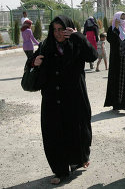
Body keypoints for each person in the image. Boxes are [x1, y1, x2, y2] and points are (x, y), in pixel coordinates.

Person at [31, 15, 98, 184]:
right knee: (53, 133)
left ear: (69, 29)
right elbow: (30, 63)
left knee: (78, 129)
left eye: (61, 29)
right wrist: (34, 62)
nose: (58, 33)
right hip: (52, 98)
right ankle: (60, 170)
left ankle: (80, 158)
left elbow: (92, 56)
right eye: (54, 30)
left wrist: (78, 36)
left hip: (74, 97)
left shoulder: (77, 43)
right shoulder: (46, 45)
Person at [104, 11, 125, 115]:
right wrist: (115, 27)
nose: (122, 20)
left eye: (124, 17)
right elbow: (111, 39)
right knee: (116, 82)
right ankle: (116, 104)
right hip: (117, 62)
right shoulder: (112, 30)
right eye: (120, 18)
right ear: (116, 18)